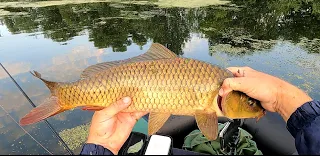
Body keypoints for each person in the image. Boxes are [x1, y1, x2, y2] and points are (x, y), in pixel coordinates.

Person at [80, 67, 320, 155]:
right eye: (250, 104)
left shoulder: (210, 102)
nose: (256, 109)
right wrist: (279, 97)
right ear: (225, 94)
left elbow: (209, 129)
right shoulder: (211, 99)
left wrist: (100, 148)